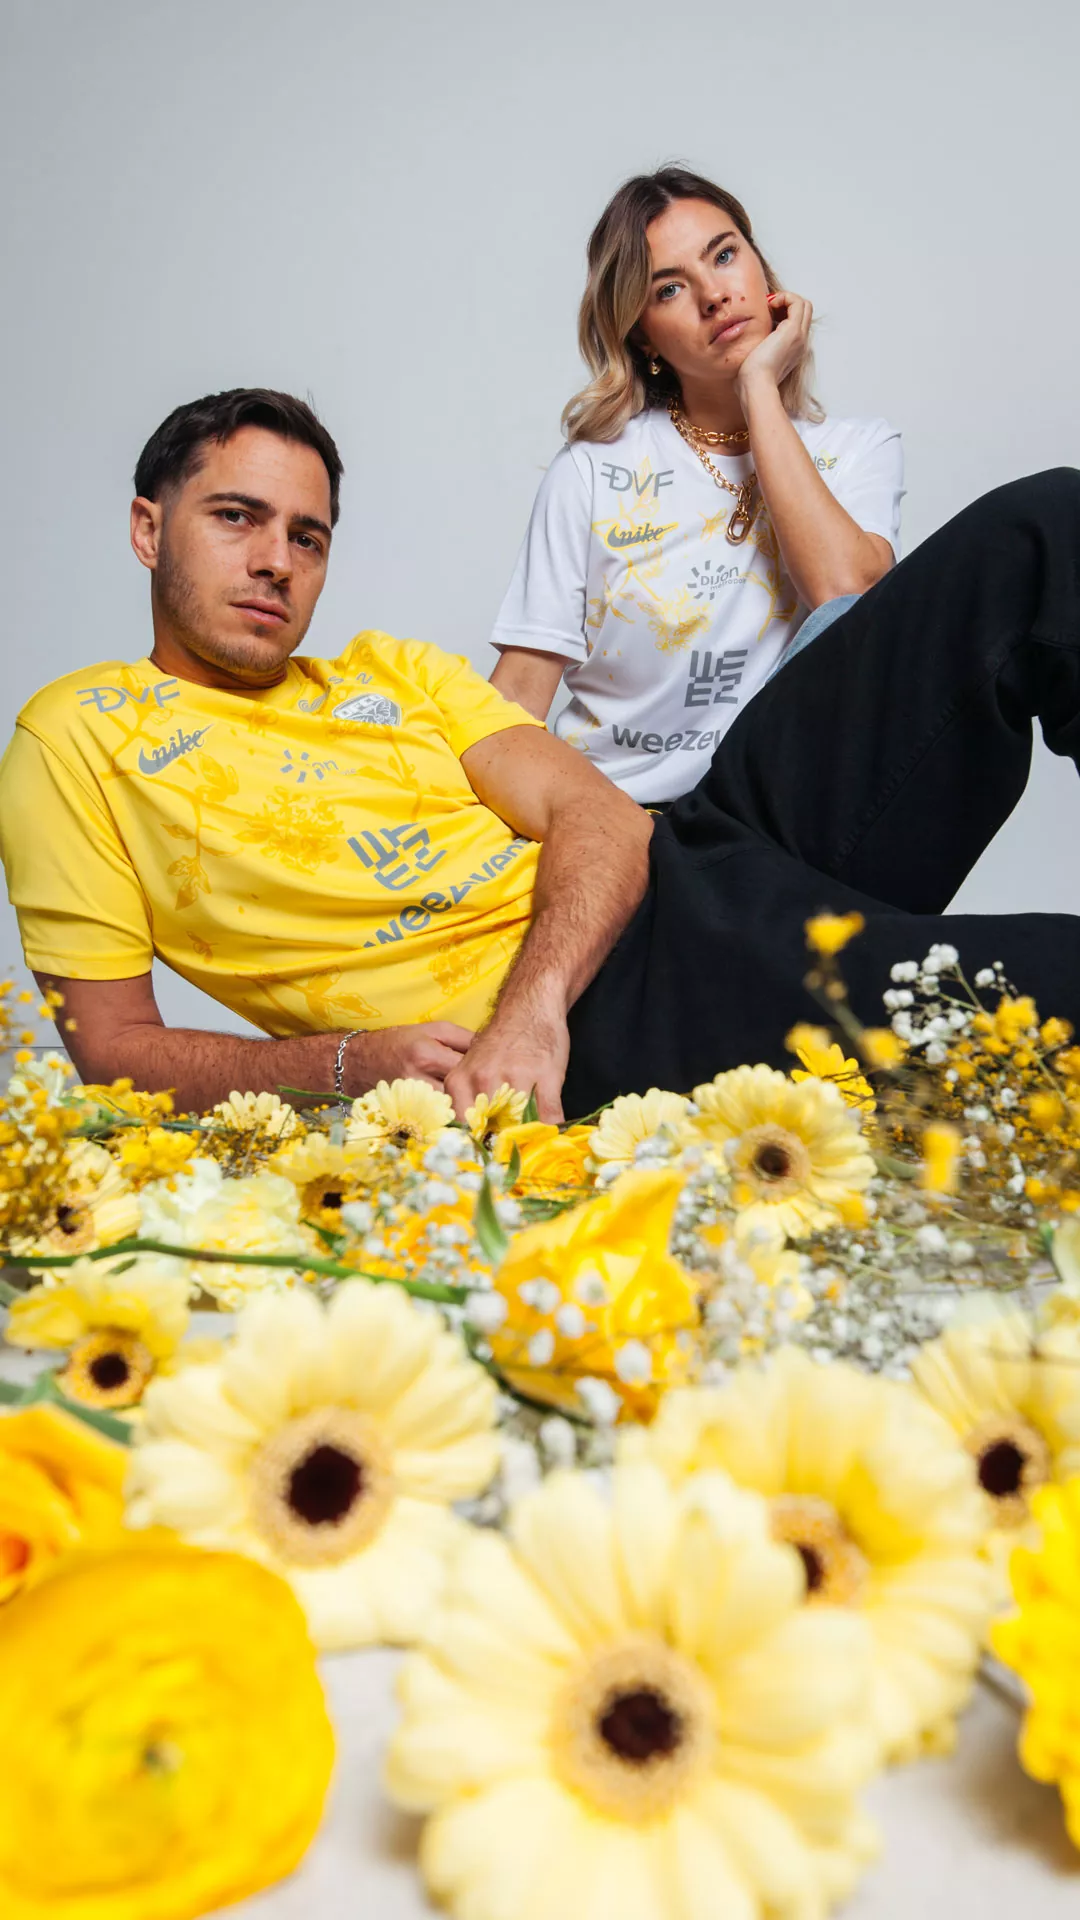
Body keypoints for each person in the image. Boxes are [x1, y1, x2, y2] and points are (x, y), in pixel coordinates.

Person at [4, 388, 1080, 1124]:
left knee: (1044, 529)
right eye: (236, 517)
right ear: (149, 529)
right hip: (628, 1009)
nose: (276, 561)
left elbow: (600, 817)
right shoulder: (78, 734)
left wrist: (529, 1011)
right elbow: (114, 1049)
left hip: (680, 862)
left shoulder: (392, 669)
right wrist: (348, 1064)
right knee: (1056, 987)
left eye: (306, 535)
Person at [489, 167, 904, 805]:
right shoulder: (592, 473)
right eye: (670, 289)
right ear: (642, 335)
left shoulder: (858, 450)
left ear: (763, 270)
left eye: (725, 255)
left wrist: (758, 387)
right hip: (624, 818)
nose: (714, 295)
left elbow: (846, 600)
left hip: (784, 813)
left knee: (1035, 518)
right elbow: (518, 695)